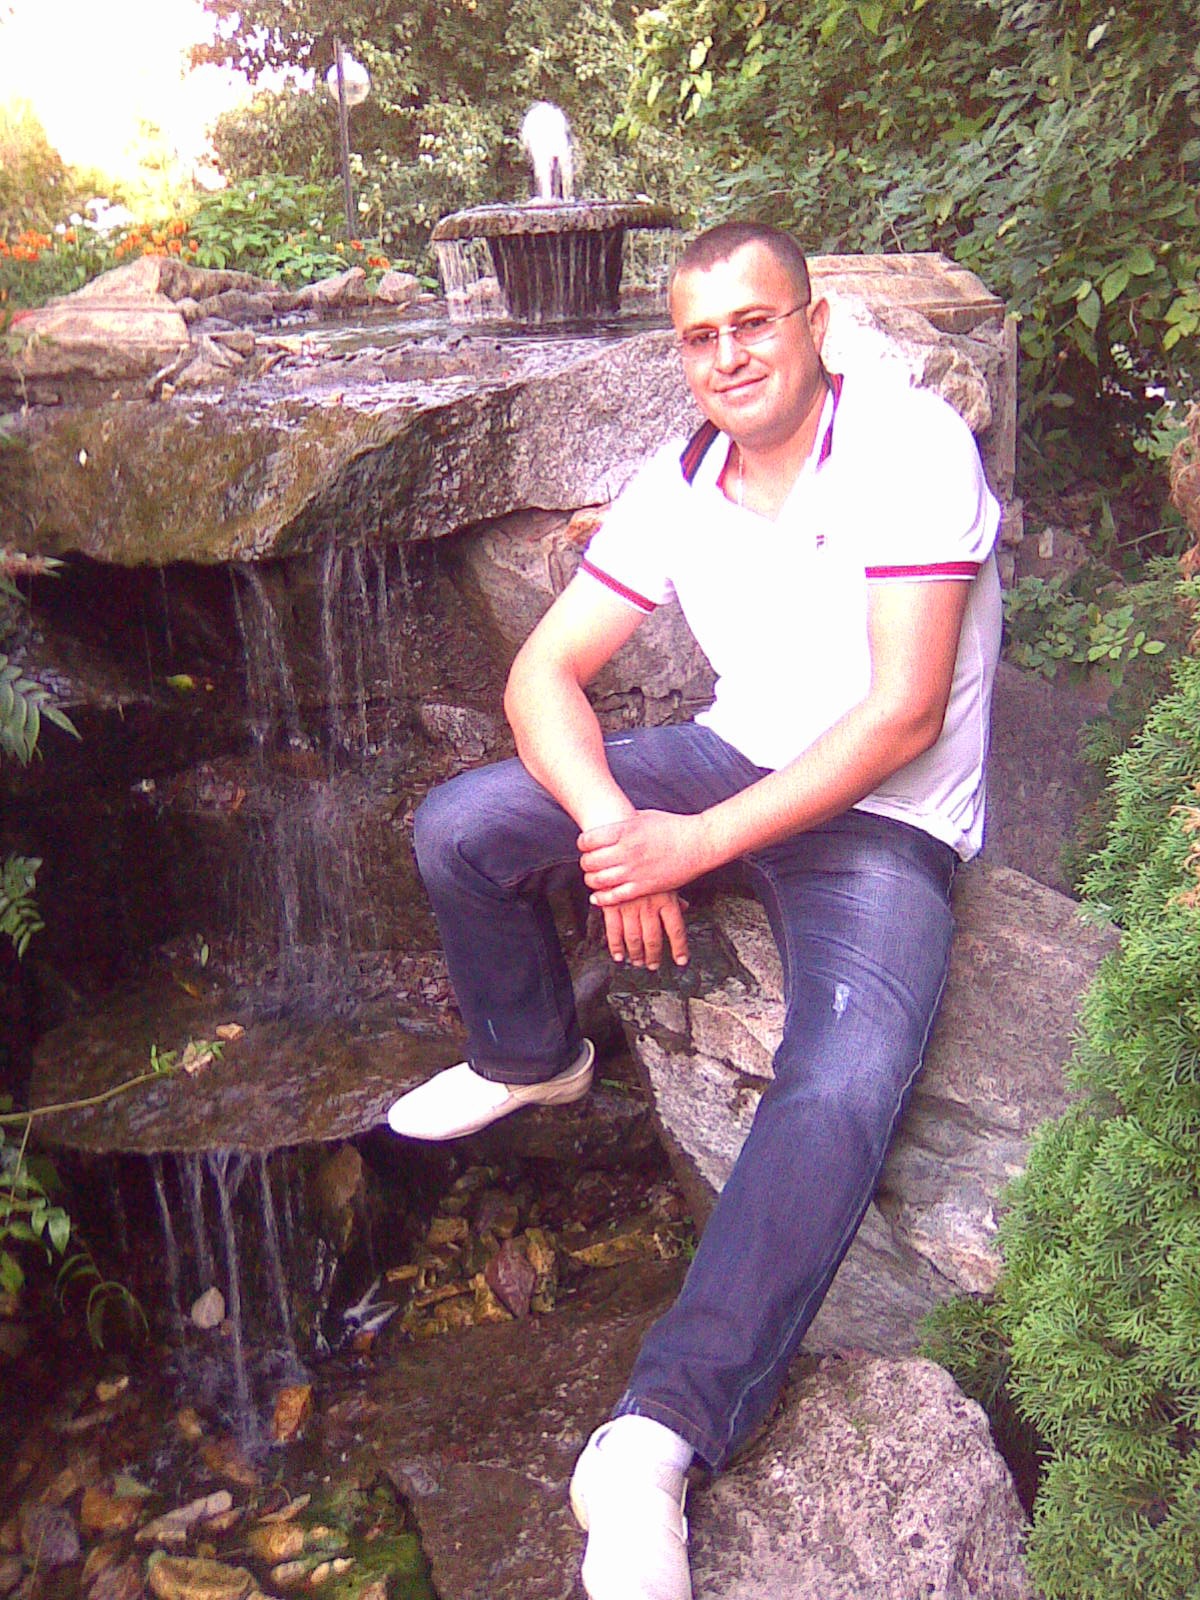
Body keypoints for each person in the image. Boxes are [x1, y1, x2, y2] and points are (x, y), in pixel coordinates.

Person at [386, 221, 1002, 1600]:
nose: (728, 355)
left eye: (754, 323)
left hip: (882, 819)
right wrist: (618, 833)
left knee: (842, 1081)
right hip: (731, 760)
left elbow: (904, 714)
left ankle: (654, 1440)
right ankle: (531, 1053)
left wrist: (689, 849)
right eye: (700, 336)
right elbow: (542, 677)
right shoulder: (679, 481)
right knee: (465, 826)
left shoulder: (906, 448)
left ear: (813, 325)